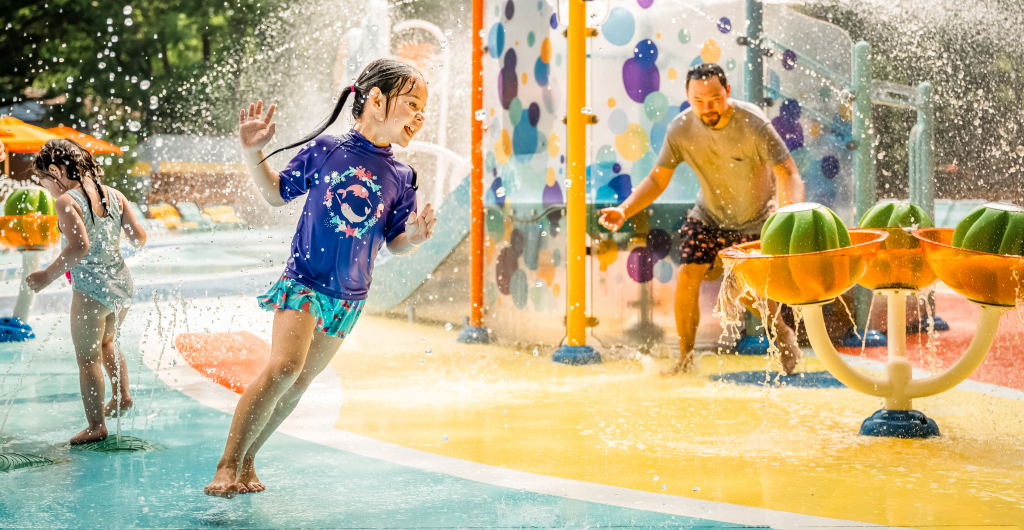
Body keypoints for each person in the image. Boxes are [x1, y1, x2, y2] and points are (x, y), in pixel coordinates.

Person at [205, 58, 437, 497]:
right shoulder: (329, 149)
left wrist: (417, 237)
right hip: (306, 282)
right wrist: (252, 152)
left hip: (349, 297)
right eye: (411, 104)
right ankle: (227, 461)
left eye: (424, 109)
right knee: (283, 369)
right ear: (375, 100)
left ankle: (250, 457)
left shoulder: (403, 177)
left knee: (300, 381)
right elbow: (276, 194)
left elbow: (395, 243)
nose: (420, 116)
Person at [598, 63, 805, 374]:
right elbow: (657, 180)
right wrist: (624, 209)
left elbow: (788, 172)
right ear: (687, 96)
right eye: (698, 101)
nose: (707, 108)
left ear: (727, 92)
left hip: (754, 220)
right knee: (688, 275)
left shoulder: (753, 124)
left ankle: (782, 333)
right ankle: (684, 360)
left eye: (714, 99)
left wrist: (787, 217)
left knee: (747, 291)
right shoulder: (681, 130)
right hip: (706, 216)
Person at [26, 139, 147, 443]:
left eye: (45, 181)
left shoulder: (66, 201)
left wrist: (45, 277)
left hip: (91, 289)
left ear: (55, 170)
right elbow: (138, 238)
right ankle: (122, 397)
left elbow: (80, 247)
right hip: (121, 284)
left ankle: (96, 427)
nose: (47, 189)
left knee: (87, 358)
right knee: (107, 343)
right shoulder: (116, 195)